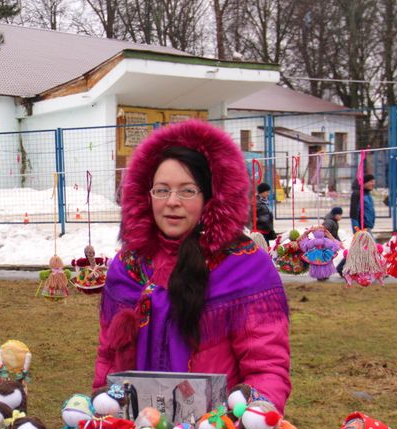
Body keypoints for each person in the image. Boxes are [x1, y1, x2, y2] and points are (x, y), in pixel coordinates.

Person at [94, 120, 291, 413]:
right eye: (162, 190)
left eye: (187, 191)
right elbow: (108, 360)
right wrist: (103, 412)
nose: (172, 202)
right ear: (146, 195)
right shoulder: (128, 265)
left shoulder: (246, 267)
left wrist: (249, 419)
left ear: (211, 197)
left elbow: (266, 368)